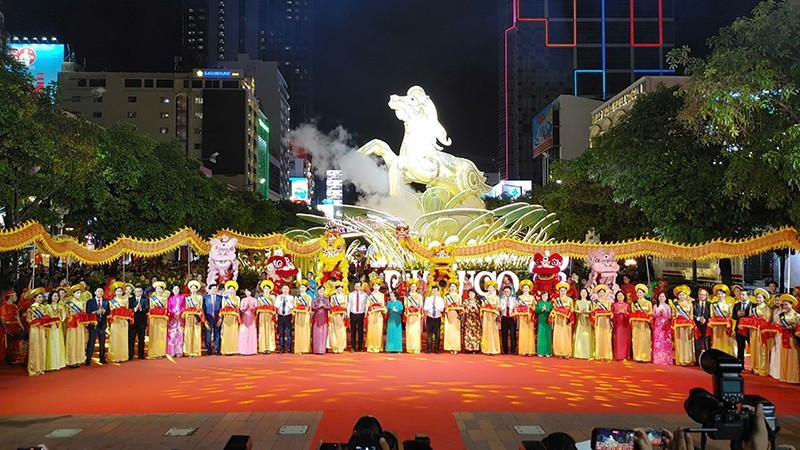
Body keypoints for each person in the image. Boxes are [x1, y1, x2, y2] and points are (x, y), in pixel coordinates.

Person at [776, 294, 800, 384]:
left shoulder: (797, 315)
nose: (785, 306)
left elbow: (798, 327)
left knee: (793, 358)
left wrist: (791, 327)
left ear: (791, 305)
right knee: (784, 356)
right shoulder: (781, 315)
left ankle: (793, 377)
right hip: (783, 337)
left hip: (792, 338)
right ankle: (784, 376)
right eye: (784, 305)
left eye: (787, 304)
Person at [749, 288, 773, 376]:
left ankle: (762, 368)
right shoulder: (753, 307)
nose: (758, 299)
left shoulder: (766, 308)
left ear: (764, 299)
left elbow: (767, 320)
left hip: (761, 331)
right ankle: (754, 366)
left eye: (760, 298)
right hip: (753, 331)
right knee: (754, 347)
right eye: (757, 298)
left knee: (761, 349)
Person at [108, 282, 133, 363]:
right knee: (115, 338)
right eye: (117, 291)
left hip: (123, 322)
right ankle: (114, 356)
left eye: (120, 291)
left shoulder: (126, 300)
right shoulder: (111, 301)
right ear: (115, 292)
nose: (119, 293)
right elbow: (110, 312)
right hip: (115, 322)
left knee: (123, 339)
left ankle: (123, 356)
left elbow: (127, 310)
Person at [64, 285, 88, 368]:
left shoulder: (82, 302)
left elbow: (84, 313)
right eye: (77, 293)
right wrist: (73, 317)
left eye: (80, 293)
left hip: (80, 324)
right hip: (72, 324)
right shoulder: (68, 303)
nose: (79, 294)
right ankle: (72, 360)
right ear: (73, 294)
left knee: (79, 341)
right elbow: (67, 314)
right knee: (72, 341)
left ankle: (78, 360)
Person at [25, 288, 48, 376]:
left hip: (42, 328)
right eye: (39, 297)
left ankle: (41, 367)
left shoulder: (43, 307)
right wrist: (33, 320)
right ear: (34, 298)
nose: (40, 299)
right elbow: (28, 319)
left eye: (41, 297)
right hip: (34, 329)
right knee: (35, 347)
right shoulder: (31, 308)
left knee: (42, 346)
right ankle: (33, 368)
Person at [0, 290, 25, 365]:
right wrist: (5, 329)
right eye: (15, 295)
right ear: (10, 297)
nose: (16, 297)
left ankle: (15, 358)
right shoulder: (3, 307)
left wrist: (22, 327)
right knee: (5, 343)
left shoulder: (15, 306)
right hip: (7, 327)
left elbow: (17, 318)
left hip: (15, 326)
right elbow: (2, 319)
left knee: (16, 343)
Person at [672, 285, 695, 366]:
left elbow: (691, 316)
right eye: (680, 295)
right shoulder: (675, 304)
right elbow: (673, 315)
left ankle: (688, 359)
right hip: (679, 326)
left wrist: (691, 326)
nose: (681, 296)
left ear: (686, 295)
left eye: (683, 295)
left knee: (687, 342)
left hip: (687, 325)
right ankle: (680, 359)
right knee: (679, 341)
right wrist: (677, 318)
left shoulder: (690, 304)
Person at [85, 287, 108, 365]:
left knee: (102, 342)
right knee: (92, 341)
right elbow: (88, 312)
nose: (100, 293)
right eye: (98, 291)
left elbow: (108, 312)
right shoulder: (90, 302)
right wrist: (96, 312)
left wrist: (104, 312)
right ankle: (88, 359)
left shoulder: (105, 302)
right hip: (93, 324)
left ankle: (102, 358)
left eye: (101, 291)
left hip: (102, 324)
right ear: (95, 292)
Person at [44, 290, 66, 371]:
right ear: (51, 297)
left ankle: (58, 363)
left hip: (58, 327)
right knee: (51, 343)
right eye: (54, 296)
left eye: (57, 296)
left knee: (58, 343)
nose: (56, 297)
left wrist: (60, 319)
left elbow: (64, 316)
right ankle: (50, 364)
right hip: (50, 327)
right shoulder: (46, 307)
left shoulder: (61, 307)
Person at [630, 284, 653, 363]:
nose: (639, 294)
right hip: (636, 324)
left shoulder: (648, 303)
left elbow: (650, 312)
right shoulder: (634, 303)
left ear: (644, 293)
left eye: (640, 292)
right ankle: (637, 357)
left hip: (645, 324)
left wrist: (645, 316)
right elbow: (632, 312)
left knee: (645, 339)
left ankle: (645, 357)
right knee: (636, 339)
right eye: (638, 293)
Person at [183, 280, 205, 357]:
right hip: (189, 317)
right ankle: (188, 351)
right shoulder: (187, 298)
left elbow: (201, 307)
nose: (193, 289)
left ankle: (196, 351)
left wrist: (199, 316)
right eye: (192, 288)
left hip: (196, 317)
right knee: (189, 333)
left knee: (196, 333)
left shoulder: (199, 297)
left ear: (197, 289)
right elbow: (186, 308)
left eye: (195, 288)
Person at [709, 284, 733, 354]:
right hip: (716, 325)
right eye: (718, 294)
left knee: (725, 340)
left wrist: (726, 322)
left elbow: (730, 315)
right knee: (716, 340)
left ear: (725, 295)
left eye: (722, 294)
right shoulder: (713, 305)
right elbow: (712, 315)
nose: (720, 295)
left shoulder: (729, 305)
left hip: (725, 326)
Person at [147, 281, 169, 359]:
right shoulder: (152, 299)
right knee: (154, 335)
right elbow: (150, 308)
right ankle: (153, 352)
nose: (159, 290)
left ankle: (161, 352)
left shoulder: (165, 299)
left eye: (160, 289)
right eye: (157, 289)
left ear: (162, 290)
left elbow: (166, 309)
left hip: (162, 319)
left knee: (161, 335)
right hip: (154, 319)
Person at [591, 285, 613, 361]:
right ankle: (599, 355)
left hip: (606, 320)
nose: (601, 294)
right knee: (598, 336)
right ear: (598, 293)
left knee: (606, 337)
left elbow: (610, 312)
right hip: (598, 320)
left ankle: (607, 355)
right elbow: (593, 312)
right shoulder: (595, 302)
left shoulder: (608, 302)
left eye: (603, 292)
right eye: (600, 292)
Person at [552, 282, 574, 358]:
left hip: (566, 319)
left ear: (566, 291)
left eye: (564, 291)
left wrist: (568, 314)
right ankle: (559, 352)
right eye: (561, 291)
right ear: (559, 291)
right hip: (558, 319)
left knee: (566, 335)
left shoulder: (570, 300)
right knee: (559, 334)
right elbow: (554, 309)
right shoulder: (556, 300)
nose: (562, 292)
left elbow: (572, 309)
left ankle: (567, 352)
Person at [732, 288, 753, 365]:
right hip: (739, 329)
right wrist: (737, 315)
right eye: (740, 294)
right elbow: (733, 316)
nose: (741, 296)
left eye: (743, 294)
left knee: (752, 347)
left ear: (748, 296)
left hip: (749, 329)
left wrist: (746, 315)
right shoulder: (736, 305)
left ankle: (754, 364)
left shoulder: (752, 305)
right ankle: (740, 363)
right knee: (740, 347)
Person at [652, 292, 674, 365]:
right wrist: (658, 314)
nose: (661, 298)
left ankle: (666, 359)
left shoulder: (668, 306)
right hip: (658, 325)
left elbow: (670, 316)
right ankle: (658, 359)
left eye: (663, 296)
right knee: (658, 341)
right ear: (658, 297)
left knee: (666, 342)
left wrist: (664, 314)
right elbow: (653, 315)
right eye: (660, 296)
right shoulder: (655, 306)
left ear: (665, 298)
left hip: (665, 325)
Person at [480, 280, 501, 355]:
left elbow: (498, 307)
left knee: (494, 331)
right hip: (486, 315)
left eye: (492, 288)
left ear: (494, 289)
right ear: (487, 289)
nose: (490, 289)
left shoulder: (497, 298)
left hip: (493, 315)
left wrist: (495, 312)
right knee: (486, 331)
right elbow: (482, 307)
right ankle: (486, 349)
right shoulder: (484, 298)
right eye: (489, 288)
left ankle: (494, 349)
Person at [220, 280, 241, 355]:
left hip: (234, 318)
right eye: (230, 289)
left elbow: (238, 308)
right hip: (226, 318)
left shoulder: (237, 298)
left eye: (233, 289)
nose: (231, 291)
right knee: (226, 334)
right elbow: (222, 308)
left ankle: (233, 350)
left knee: (233, 334)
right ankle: (226, 350)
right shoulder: (224, 298)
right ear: (227, 290)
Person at [128, 286, 149, 360]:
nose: (138, 293)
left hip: (142, 322)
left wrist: (141, 308)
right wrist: (134, 309)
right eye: (137, 291)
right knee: (131, 339)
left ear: (142, 292)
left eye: (140, 291)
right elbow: (128, 309)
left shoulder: (145, 300)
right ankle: (130, 354)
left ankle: (141, 354)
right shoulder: (130, 300)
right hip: (132, 322)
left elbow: (147, 309)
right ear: (134, 292)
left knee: (141, 339)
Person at [516, 280, 536, 357]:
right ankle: (523, 350)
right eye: (524, 288)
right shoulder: (519, 298)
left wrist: (530, 308)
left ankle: (530, 350)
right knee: (523, 333)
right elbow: (517, 307)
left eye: (527, 288)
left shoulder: (532, 297)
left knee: (530, 333)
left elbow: (535, 307)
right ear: (522, 289)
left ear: (529, 289)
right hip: (522, 317)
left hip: (530, 317)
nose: (525, 289)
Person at [256, 280, 276, 354]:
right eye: (265, 289)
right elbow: (258, 307)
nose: (266, 290)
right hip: (262, 315)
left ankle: (269, 347)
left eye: (268, 289)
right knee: (262, 330)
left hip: (270, 315)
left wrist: (274, 314)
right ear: (263, 289)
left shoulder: (272, 297)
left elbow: (274, 307)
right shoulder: (260, 297)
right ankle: (263, 347)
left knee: (269, 330)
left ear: (270, 289)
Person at [692, 288, 711, 366]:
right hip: (697, 326)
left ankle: (708, 361)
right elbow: (690, 314)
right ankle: (697, 360)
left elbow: (712, 314)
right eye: (700, 294)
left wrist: (705, 319)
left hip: (707, 326)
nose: (702, 296)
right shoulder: (693, 303)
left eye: (703, 295)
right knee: (697, 345)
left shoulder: (710, 304)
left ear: (707, 295)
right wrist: (698, 318)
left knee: (707, 344)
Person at [365, 280, 386, 353]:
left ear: (379, 287)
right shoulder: (369, 295)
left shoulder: (381, 295)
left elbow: (382, 304)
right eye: (374, 286)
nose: (376, 287)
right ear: (372, 287)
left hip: (378, 315)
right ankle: (371, 346)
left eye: (377, 286)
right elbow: (368, 305)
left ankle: (378, 346)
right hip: (372, 314)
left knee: (378, 330)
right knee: (371, 330)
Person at [572, 288, 593, 360]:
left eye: (585, 292)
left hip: (587, 320)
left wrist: (587, 311)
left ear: (587, 294)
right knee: (579, 335)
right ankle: (578, 353)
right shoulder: (577, 302)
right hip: (579, 320)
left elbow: (592, 311)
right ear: (580, 294)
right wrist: (580, 311)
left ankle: (587, 353)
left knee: (587, 336)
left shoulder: (589, 302)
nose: (583, 294)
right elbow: (575, 310)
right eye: (582, 292)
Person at [404, 280, 424, 354]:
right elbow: (405, 305)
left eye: (414, 286)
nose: (413, 288)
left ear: (416, 287)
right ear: (410, 287)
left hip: (416, 315)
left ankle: (416, 347)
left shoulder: (419, 296)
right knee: (410, 331)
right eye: (412, 286)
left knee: (416, 331)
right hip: (409, 315)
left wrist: (417, 310)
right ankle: (409, 347)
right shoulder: (407, 296)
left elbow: (421, 305)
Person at [424, 285, 445, 354]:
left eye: (435, 290)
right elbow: (425, 308)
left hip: (437, 318)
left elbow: (441, 309)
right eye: (433, 290)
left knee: (437, 334)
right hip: (430, 317)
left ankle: (436, 348)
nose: (434, 292)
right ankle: (429, 348)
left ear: (437, 291)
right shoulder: (428, 299)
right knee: (429, 333)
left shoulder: (440, 299)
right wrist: (431, 305)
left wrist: (435, 305)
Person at [329, 281, 348, 353]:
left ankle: (341, 346)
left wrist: (345, 313)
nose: (339, 290)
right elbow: (331, 305)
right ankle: (335, 346)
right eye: (338, 289)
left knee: (341, 330)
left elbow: (345, 305)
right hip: (334, 315)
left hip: (341, 315)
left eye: (340, 289)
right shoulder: (333, 296)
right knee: (334, 330)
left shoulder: (345, 296)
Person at [203, 283, 223, 355]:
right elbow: (203, 309)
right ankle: (208, 350)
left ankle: (217, 350)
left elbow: (222, 309)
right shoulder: (205, 298)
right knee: (208, 334)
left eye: (215, 289)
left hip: (217, 318)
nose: (214, 290)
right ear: (210, 290)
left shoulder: (220, 298)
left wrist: (220, 318)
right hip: (208, 318)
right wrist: (204, 319)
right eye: (213, 289)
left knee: (217, 334)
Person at [443, 282, 463, 354]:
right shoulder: (446, 296)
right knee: (449, 330)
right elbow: (444, 305)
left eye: (454, 286)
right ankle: (450, 347)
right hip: (448, 314)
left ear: (456, 288)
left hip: (456, 314)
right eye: (451, 286)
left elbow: (460, 306)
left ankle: (456, 347)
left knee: (456, 331)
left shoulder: (458, 296)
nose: (452, 288)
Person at [611, 290, 631, 361]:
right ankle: (617, 356)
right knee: (617, 340)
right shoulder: (614, 305)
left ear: (624, 297)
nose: (620, 297)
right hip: (617, 325)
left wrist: (624, 312)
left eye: (621, 296)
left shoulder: (627, 305)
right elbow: (611, 314)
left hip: (625, 326)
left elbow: (630, 315)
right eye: (618, 296)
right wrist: (617, 313)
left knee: (625, 341)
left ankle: (625, 356)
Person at [294, 280, 313, 354]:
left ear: (306, 288)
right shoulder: (296, 297)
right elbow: (294, 306)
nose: (302, 289)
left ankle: (305, 348)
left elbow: (309, 307)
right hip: (298, 315)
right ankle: (298, 348)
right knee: (298, 331)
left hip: (305, 315)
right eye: (301, 287)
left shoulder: (308, 297)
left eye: (303, 287)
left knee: (305, 331)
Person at [311, 284, 331, 354]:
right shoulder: (315, 299)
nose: (321, 292)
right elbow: (312, 308)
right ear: (317, 291)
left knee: (323, 333)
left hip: (324, 317)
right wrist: (318, 306)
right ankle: (317, 350)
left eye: (322, 290)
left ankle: (322, 350)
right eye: (320, 290)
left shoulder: (326, 299)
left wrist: (323, 305)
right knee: (317, 333)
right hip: (317, 317)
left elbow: (329, 307)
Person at [348, 281, 367, 352]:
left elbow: (366, 305)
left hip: (361, 313)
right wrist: (348, 314)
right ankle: (353, 347)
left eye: (358, 286)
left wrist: (365, 314)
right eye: (356, 286)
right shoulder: (350, 294)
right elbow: (349, 304)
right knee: (352, 331)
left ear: (361, 286)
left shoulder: (364, 295)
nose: (357, 288)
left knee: (360, 331)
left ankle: (360, 347)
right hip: (353, 313)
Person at [238, 287, 258, 355]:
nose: (247, 293)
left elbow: (255, 309)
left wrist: (251, 306)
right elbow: (241, 309)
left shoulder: (254, 300)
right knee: (244, 332)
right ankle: (243, 349)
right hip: (245, 317)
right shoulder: (243, 300)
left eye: (248, 291)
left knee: (251, 332)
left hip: (252, 317)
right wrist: (246, 306)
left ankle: (252, 349)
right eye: (246, 291)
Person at [167, 285, 185, 358]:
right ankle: (171, 351)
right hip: (172, 319)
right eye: (175, 289)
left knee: (179, 334)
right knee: (172, 335)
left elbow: (184, 307)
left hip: (180, 318)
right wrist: (173, 314)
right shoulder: (170, 298)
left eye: (177, 289)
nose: (176, 290)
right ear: (172, 290)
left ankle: (179, 352)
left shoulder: (182, 298)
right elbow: (168, 308)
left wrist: (179, 313)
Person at [499, 285, 518, 355]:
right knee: (504, 335)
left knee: (513, 334)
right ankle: (505, 350)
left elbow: (515, 307)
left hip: (512, 318)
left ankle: (513, 350)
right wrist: (505, 305)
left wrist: (509, 305)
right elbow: (500, 308)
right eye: (505, 291)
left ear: (511, 292)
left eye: (508, 291)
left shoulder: (514, 299)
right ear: (504, 292)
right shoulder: (501, 299)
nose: (507, 293)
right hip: (504, 318)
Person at [462, 289, 481, 354]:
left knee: (476, 334)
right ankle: (468, 348)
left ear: (475, 294)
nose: (471, 295)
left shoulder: (477, 301)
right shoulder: (465, 301)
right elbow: (462, 311)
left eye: (472, 293)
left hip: (476, 320)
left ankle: (476, 349)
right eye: (470, 293)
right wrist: (468, 307)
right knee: (468, 334)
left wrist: (475, 307)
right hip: (468, 320)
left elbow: (479, 312)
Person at [535, 290, 553, 356]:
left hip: (548, 322)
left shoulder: (550, 304)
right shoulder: (539, 303)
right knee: (541, 336)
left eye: (546, 295)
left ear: (548, 296)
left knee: (548, 336)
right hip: (541, 322)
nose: (544, 297)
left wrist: (547, 310)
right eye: (543, 295)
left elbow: (552, 312)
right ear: (541, 296)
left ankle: (548, 352)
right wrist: (541, 310)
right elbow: (536, 311)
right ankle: (540, 352)